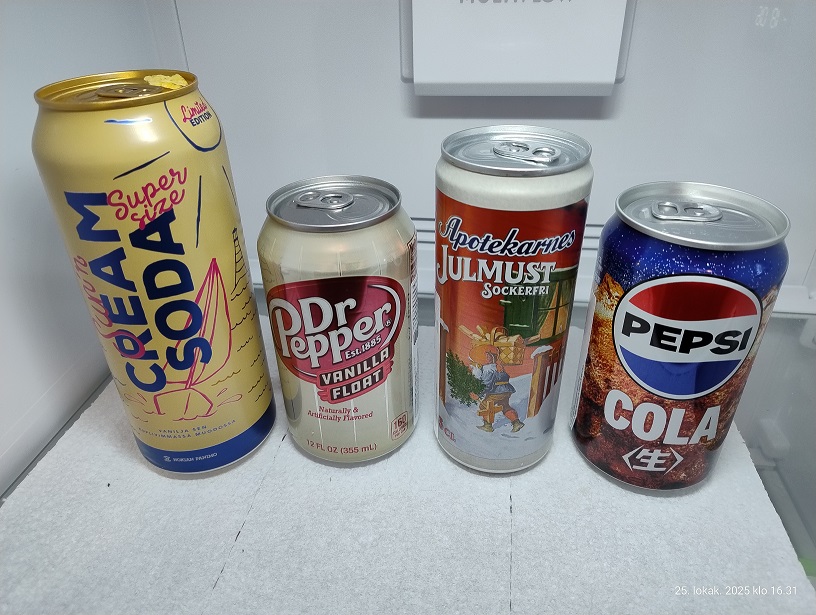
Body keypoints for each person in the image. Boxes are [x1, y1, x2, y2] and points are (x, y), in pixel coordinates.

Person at [468, 344, 525, 433]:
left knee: (484, 405)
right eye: (486, 355)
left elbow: (486, 385)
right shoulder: (497, 367)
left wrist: (478, 395)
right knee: (505, 406)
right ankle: (516, 423)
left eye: (488, 355)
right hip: (506, 391)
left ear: (492, 357)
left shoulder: (488, 369)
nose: (486, 357)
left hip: (497, 392)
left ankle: (488, 426)